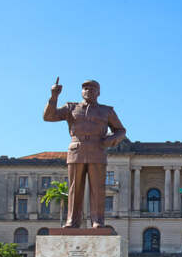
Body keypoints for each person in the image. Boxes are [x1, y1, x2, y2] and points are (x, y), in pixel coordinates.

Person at [43, 79, 126, 228]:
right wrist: (54, 96)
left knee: (98, 188)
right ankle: (72, 221)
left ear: (98, 92)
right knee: (75, 188)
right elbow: (49, 116)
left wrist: (111, 140)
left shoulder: (107, 111)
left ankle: (97, 221)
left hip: (97, 149)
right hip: (77, 149)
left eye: (92, 88)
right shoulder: (71, 108)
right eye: (85, 88)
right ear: (81, 92)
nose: (88, 90)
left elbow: (121, 130)